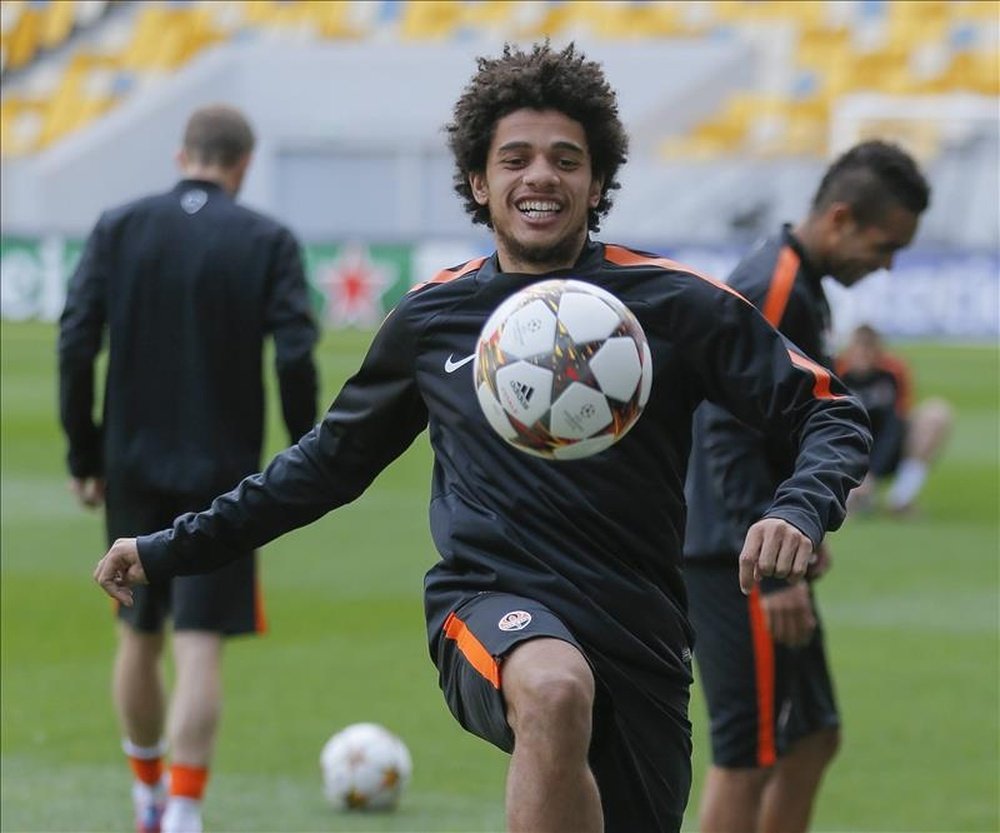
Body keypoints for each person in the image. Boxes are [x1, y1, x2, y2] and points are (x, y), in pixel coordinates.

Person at [93, 43, 871, 833]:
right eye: (516, 159)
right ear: (479, 181)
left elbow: (832, 411)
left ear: (597, 182)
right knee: (555, 688)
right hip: (487, 606)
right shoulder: (432, 321)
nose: (541, 176)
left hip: (640, 632)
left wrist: (799, 509)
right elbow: (324, 465)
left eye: (567, 160)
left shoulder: (673, 304)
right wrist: (168, 548)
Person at [59, 104, 319, 833]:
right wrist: (306, 452)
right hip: (225, 471)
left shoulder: (120, 225)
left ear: (183, 156)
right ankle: (184, 810)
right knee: (200, 641)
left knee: (137, 634)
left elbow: (76, 343)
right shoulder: (267, 238)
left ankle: (145, 794)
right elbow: (295, 355)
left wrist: (86, 452)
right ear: (242, 162)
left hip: (131, 461)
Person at [683, 140, 930, 833]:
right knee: (750, 752)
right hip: (735, 557)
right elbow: (724, 433)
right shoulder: (776, 286)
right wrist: (772, 575)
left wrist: (803, 527)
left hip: (770, 547)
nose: (886, 264)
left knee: (814, 735)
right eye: (885, 246)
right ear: (842, 219)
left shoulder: (801, 284)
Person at [836, 323, 953, 515]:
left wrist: (873, 473)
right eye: (859, 349)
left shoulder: (893, 371)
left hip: (888, 447)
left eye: (869, 349)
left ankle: (901, 499)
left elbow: (895, 424)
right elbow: (834, 428)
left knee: (936, 414)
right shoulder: (836, 370)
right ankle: (843, 495)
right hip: (846, 449)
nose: (863, 357)